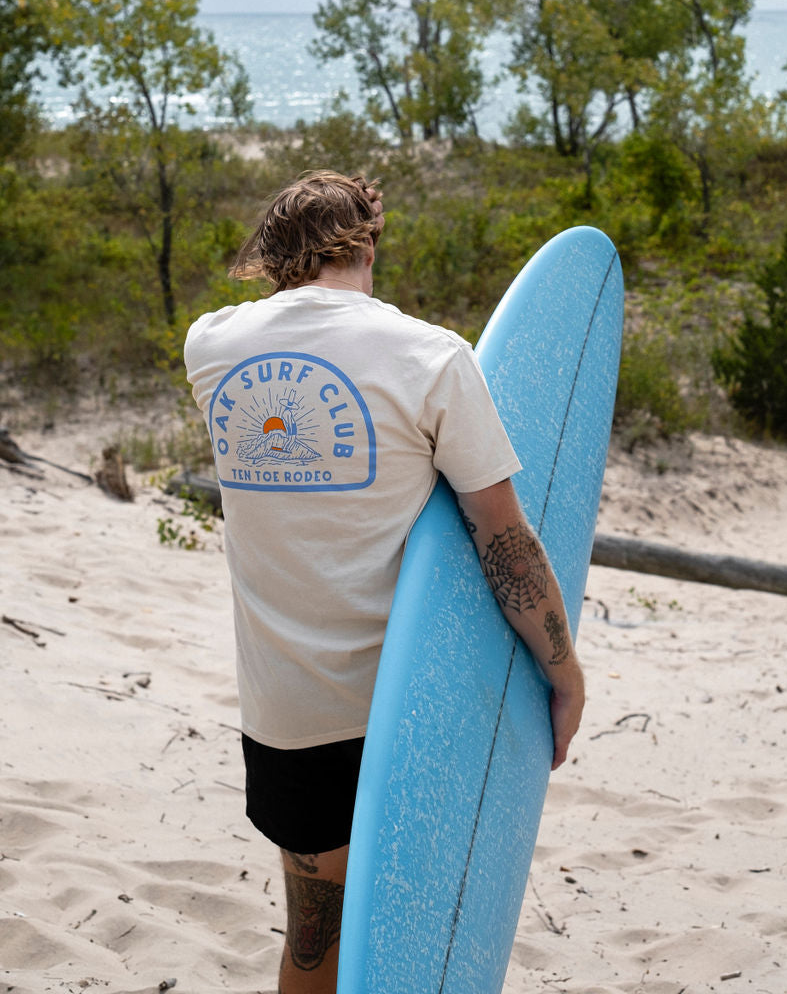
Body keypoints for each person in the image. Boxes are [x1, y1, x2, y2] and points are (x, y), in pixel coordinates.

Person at [183, 171, 585, 994]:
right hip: (408, 715)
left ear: (270, 256)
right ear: (369, 245)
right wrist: (563, 670)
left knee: (314, 941)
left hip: (285, 714)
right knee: (416, 948)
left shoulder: (212, 347)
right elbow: (503, 540)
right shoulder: (432, 358)